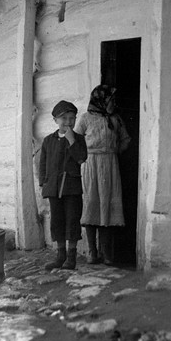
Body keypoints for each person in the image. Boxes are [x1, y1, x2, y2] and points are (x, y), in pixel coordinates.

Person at [75, 84, 131, 266]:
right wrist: (83, 157)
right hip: (91, 164)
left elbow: (125, 139)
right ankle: (92, 252)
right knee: (92, 204)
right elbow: (75, 141)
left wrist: (113, 152)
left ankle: (107, 253)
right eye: (109, 100)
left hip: (110, 165)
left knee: (107, 205)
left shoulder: (115, 119)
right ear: (100, 101)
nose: (112, 103)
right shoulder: (85, 119)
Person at [38, 99, 88, 270]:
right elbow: (43, 164)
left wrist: (72, 140)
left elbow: (81, 158)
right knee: (57, 221)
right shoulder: (48, 140)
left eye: (72, 118)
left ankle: (71, 258)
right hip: (53, 187)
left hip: (72, 187)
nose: (68, 122)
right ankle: (60, 256)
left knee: (72, 220)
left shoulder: (79, 139)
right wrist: (43, 183)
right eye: (64, 118)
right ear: (55, 120)